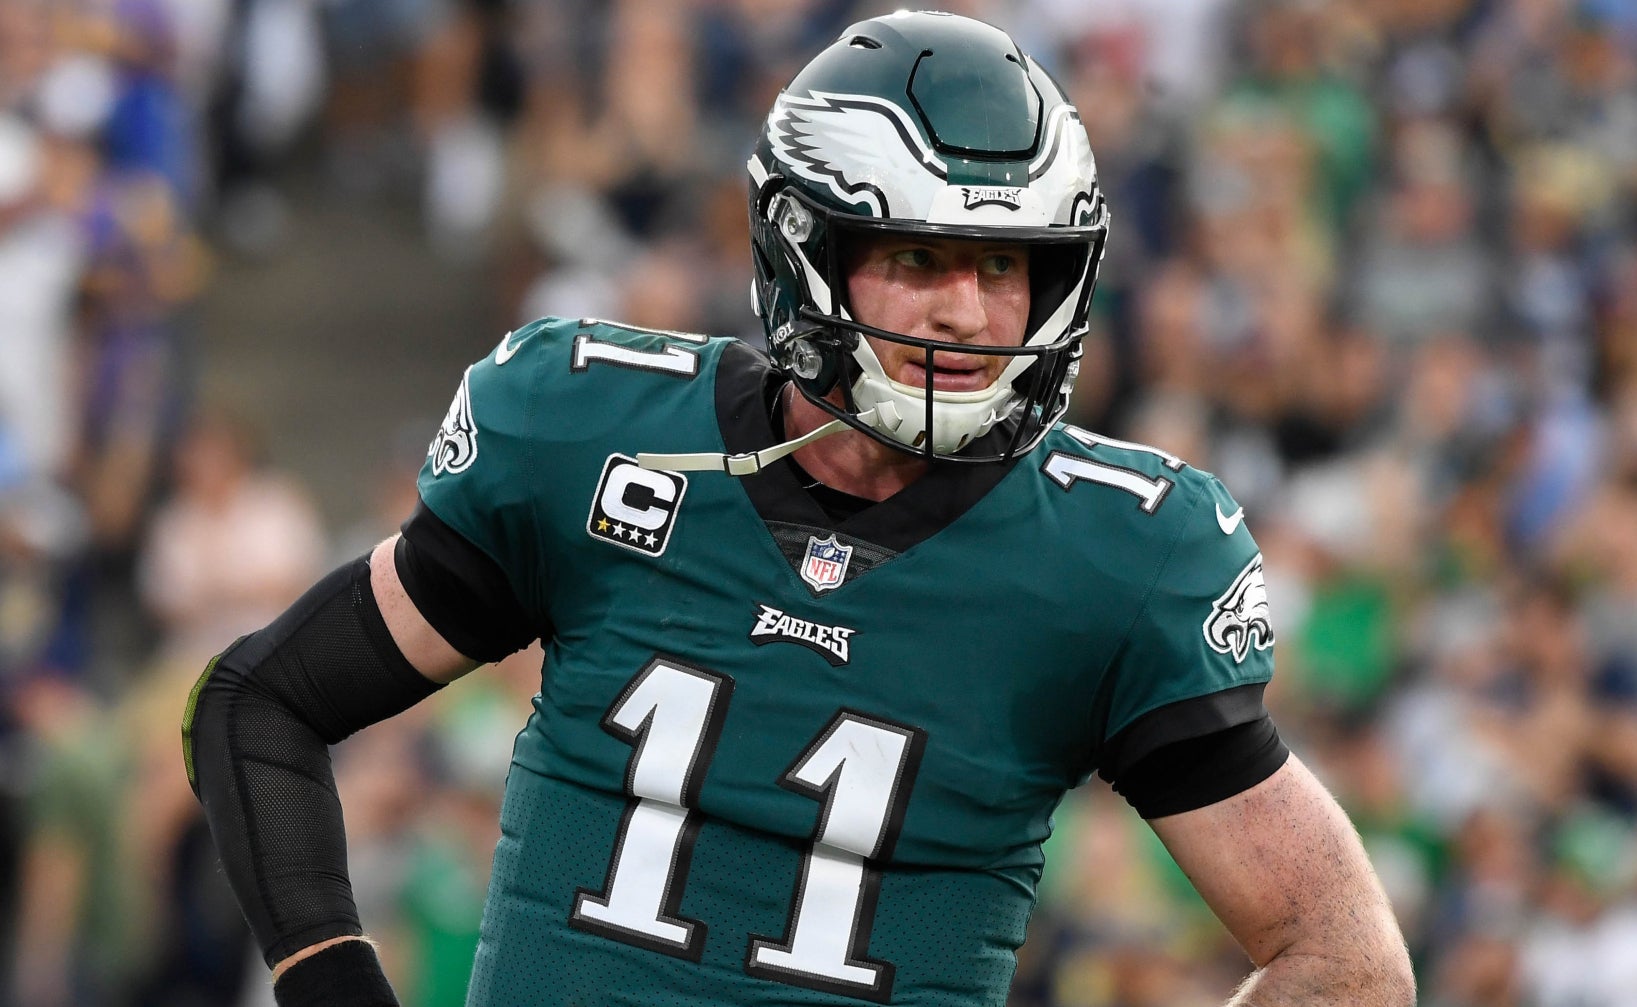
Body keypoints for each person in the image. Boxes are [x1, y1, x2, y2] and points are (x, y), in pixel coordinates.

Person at [183, 11, 1415, 1007]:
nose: (969, 314)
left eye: (1005, 267)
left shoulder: (1113, 557)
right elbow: (260, 697)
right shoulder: (585, 433)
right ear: (803, 248)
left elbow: (1345, 959)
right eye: (919, 258)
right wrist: (329, 974)